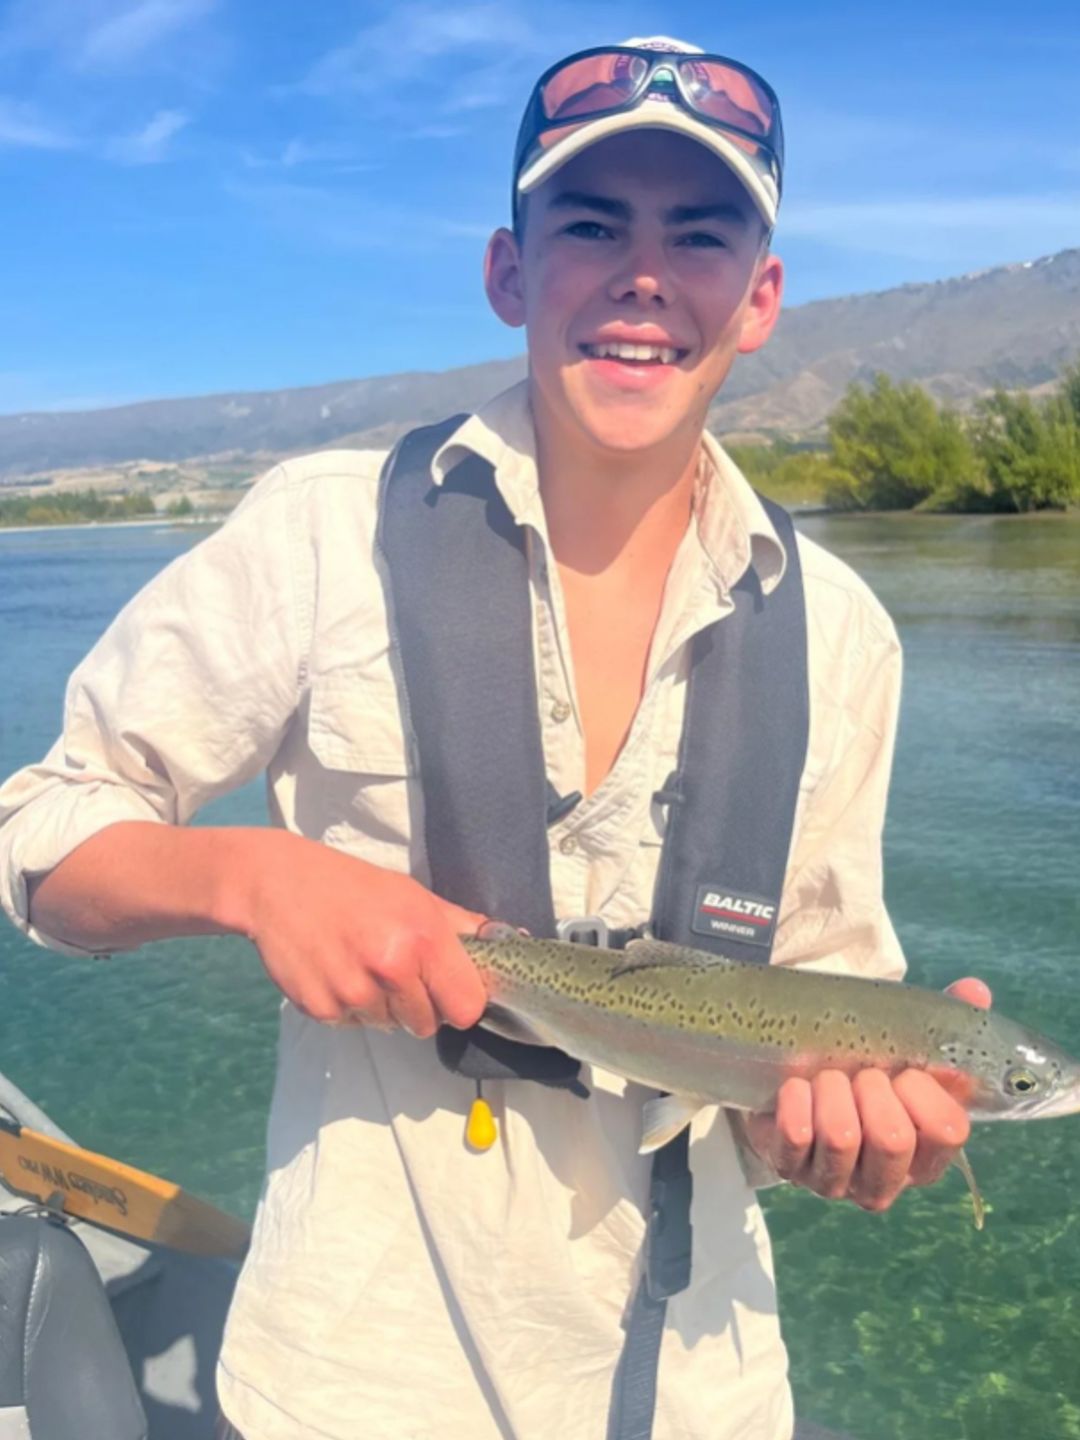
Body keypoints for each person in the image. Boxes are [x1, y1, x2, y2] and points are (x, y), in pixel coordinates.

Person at [0, 35, 989, 1440]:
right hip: (354, 1381)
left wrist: (844, 1139)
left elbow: (808, 1046)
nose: (643, 275)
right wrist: (253, 878)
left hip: (706, 1390)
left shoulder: (844, 634)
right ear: (509, 272)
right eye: (591, 225)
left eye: (699, 234)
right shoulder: (321, 534)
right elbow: (40, 834)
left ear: (761, 297)